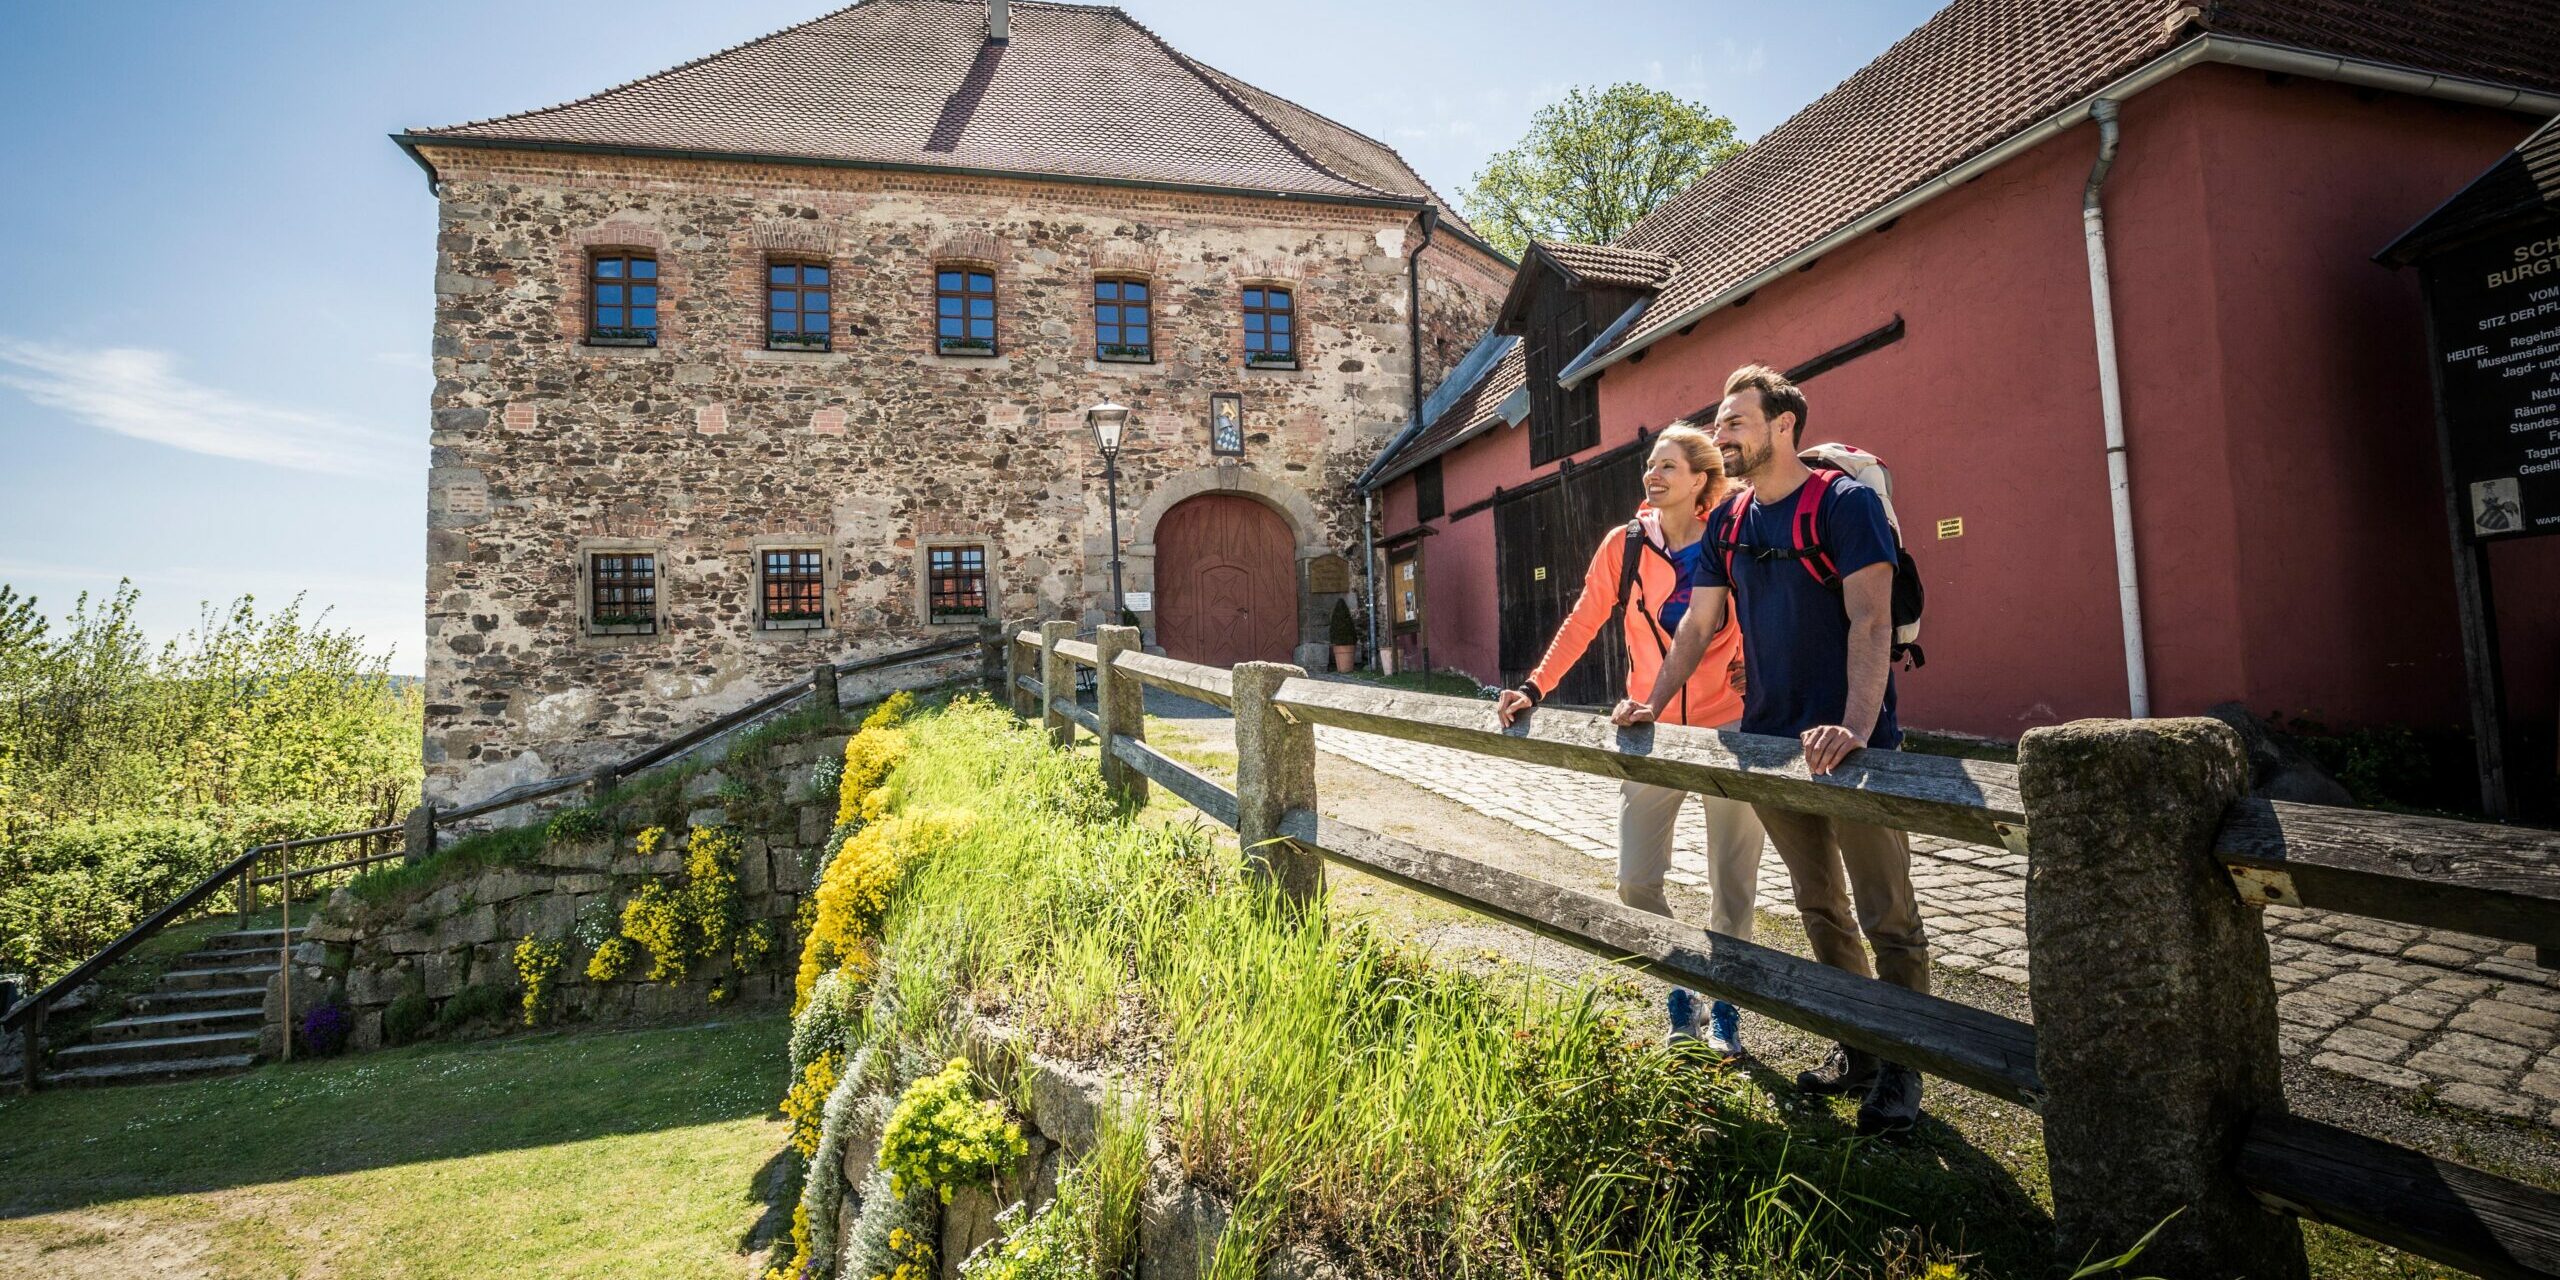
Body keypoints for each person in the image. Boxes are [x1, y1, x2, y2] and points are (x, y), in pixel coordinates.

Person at [1618, 364, 1930, 1138]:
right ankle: (1857, 1048)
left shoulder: (1846, 505)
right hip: (1768, 745)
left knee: (1888, 913)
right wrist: (1649, 704)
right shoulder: (1730, 523)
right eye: (1718, 424)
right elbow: (1696, 626)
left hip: (1855, 751)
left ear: (1783, 424)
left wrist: (1855, 726)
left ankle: (1907, 1065)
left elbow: (1870, 620)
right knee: (1819, 905)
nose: (1721, 435)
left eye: (1735, 422)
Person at [1494, 425, 1767, 1056]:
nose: (1653, 474)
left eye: (1669, 465)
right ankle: (1680, 990)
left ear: (1700, 479)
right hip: (1651, 730)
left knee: (1732, 885)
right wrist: (1535, 687)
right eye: (1650, 464)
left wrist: (1758, 664)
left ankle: (1726, 1009)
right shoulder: (1625, 545)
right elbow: (1584, 618)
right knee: (1634, 879)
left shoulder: (1730, 539)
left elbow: (1764, 611)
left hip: (1730, 731)